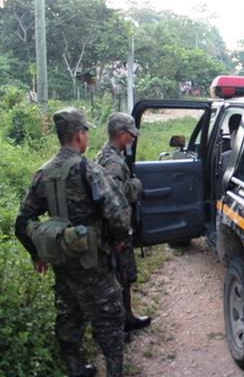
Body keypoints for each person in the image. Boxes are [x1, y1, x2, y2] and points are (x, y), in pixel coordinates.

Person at [15, 108, 131, 377]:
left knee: (68, 320)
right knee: (110, 321)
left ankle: (76, 370)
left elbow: (22, 222)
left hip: (63, 265)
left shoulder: (43, 174)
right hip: (95, 265)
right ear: (80, 135)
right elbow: (119, 216)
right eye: (85, 132)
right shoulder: (89, 170)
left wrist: (36, 254)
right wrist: (118, 241)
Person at [96, 112, 151, 334]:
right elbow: (114, 200)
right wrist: (136, 185)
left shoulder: (109, 155)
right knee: (118, 280)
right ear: (120, 134)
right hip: (115, 231)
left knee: (124, 278)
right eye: (130, 135)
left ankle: (127, 319)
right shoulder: (112, 163)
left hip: (115, 230)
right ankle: (120, 328)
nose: (133, 139)